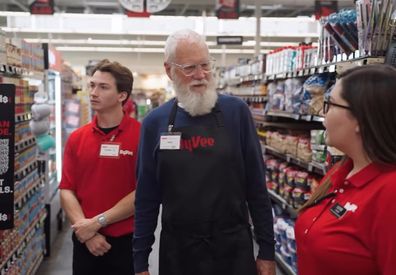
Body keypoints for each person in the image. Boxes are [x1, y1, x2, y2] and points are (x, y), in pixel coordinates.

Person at [133, 29, 275, 275]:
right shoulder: (155, 123)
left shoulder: (236, 113)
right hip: (178, 252)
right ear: (169, 71)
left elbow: (256, 187)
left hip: (233, 248)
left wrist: (266, 251)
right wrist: (140, 260)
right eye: (189, 68)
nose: (200, 75)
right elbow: (146, 196)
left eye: (205, 66)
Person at [295, 64, 396, 275]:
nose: (324, 116)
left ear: (360, 119)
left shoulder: (390, 193)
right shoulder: (341, 170)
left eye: (330, 105)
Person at [59, 59, 140, 275]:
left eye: (103, 87)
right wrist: (87, 232)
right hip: (84, 241)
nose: (94, 92)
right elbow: (66, 189)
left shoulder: (142, 136)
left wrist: (97, 223)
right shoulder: (77, 138)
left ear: (122, 96)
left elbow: (144, 191)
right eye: (92, 85)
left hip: (126, 242)